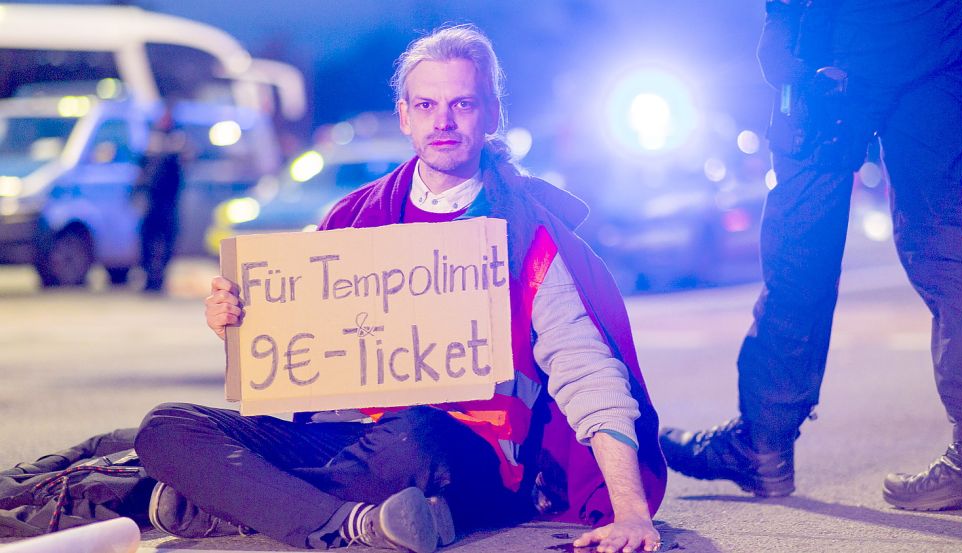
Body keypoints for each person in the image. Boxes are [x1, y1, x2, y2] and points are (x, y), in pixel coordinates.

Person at [134, 25, 668, 553]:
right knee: (165, 427)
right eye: (427, 105)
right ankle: (353, 525)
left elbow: (586, 368)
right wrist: (238, 323)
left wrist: (631, 512)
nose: (444, 122)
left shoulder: (525, 232)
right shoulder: (353, 218)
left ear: (492, 114)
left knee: (413, 438)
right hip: (345, 440)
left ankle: (225, 501)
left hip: (459, 451)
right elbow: (305, 355)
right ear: (405, 117)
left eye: (462, 104)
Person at [659, 0, 962, 510]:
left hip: (840, 40)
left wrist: (785, 35)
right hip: (944, 33)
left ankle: (761, 445)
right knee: (941, 236)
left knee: (801, 239)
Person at [133, 103, 185, 293]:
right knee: (147, 241)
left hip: (168, 203)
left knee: (166, 242)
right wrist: (137, 193)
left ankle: (159, 278)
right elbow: (142, 170)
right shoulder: (152, 140)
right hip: (152, 203)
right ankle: (148, 278)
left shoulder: (177, 140)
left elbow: (180, 169)